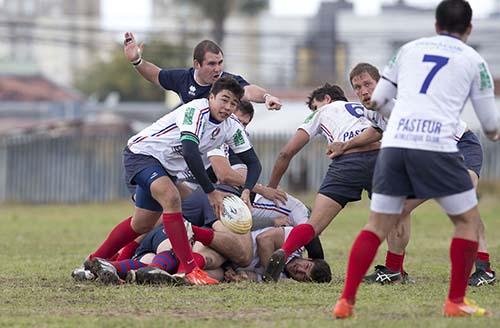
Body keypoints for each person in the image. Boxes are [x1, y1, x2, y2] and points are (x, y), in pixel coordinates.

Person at [333, 0, 500, 318]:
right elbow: (491, 126)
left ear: (436, 25)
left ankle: (346, 302)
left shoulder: (407, 50)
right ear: (469, 29)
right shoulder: (474, 60)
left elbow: (380, 99)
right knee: (465, 220)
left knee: (376, 223)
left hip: (398, 144)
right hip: (438, 143)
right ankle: (455, 301)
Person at [83, 76, 262, 286]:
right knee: (171, 198)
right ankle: (190, 269)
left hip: (165, 168)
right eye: (224, 99)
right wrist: (210, 192)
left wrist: (247, 191)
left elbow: (254, 164)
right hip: (142, 154)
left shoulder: (232, 126)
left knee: (142, 224)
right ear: (211, 97)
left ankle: (93, 262)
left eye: (233, 103)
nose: (228, 107)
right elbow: (190, 152)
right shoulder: (195, 110)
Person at [334, 62, 496, 286]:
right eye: (357, 87)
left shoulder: (401, 108)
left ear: (381, 83)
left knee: (464, 206)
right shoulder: (374, 111)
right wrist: (346, 145)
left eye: (368, 84)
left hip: (460, 147)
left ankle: (484, 270)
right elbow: (376, 130)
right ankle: (394, 270)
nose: (363, 91)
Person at [262, 83, 380, 282]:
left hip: (347, 162)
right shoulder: (365, 110)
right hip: (381, 156)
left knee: (314, 225)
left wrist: (271, 187)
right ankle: (395, 268)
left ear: (326, 99)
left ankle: (286, 250)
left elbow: (286, 153)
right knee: (396, 216)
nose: (315, 111)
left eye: (315, 107)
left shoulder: (324, 110)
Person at [123, 32, 282, 110]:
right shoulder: (183, 78)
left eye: (220, 62)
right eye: (212, 64)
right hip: (189, 142)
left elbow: (248, 90)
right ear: (197, 64)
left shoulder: (227, 81)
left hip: (216, 143)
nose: (218, 68)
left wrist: (267, 97)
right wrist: (136, 61)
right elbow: (156, 75)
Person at [225, 226, 332, 283]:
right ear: (308, 259)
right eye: (306, 267)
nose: (299, 270)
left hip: (226, 262)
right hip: (232, 238)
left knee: (214, 274)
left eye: (303, 276)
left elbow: (253, 277)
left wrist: (238, 277)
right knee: (243, 258)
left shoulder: (282, 279)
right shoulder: (293, 243)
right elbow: (263, 239)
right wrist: (271, 274)